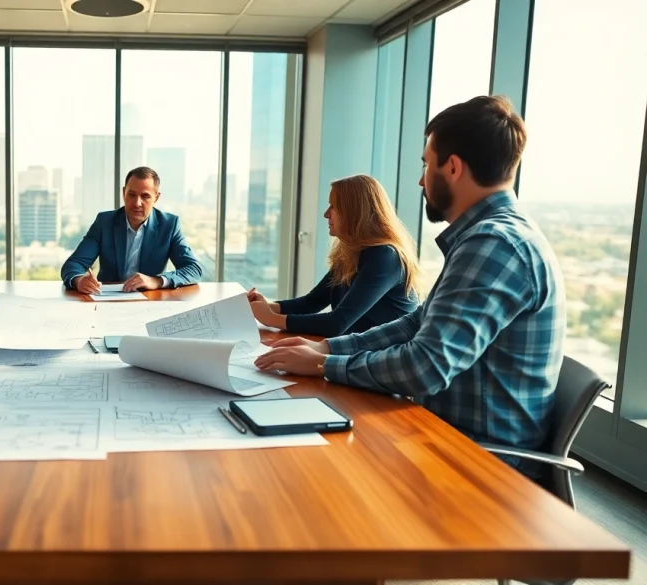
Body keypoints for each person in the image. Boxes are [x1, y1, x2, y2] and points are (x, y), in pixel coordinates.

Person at [256, 95, 565, 473]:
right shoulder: (485, 238)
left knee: (306, 474)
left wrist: (325, 364)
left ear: (452, 168)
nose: (421, 180)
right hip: (441, 433)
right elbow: (416, 324)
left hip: (478, 461)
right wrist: (325, 348)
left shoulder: (494, 245)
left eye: (425, 164)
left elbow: (426, 366)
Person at [248, 174, 419, 337]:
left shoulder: (385, 257)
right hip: (360, 352)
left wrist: (271, 319)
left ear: (355, 212)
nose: (326, 214)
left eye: (333, 206)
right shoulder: (351, 253)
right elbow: (312, 302)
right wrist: (267, 307)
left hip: (387, 359)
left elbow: (337, 323)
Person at [61, 166, 203, 293]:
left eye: (145, 196)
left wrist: (156, 281)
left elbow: (193, 269)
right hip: (107, 302)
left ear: (156, 198)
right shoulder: (104, 222)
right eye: (132, 195)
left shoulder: (169, 225)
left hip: (151, 302)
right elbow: (73, 264)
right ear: (124, 193)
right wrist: (79, 281)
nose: (137, 203)